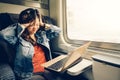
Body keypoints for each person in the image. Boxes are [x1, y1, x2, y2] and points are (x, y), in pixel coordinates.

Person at [0, 8, 63, 80]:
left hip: (46, 69)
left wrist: (43, 24)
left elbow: (58, 31)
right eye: (31, 25)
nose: (35, 28)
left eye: (37, 25)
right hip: (29, 74)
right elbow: (3, 34)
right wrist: (21, 26)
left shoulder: (41, 34)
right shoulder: (18, 38)